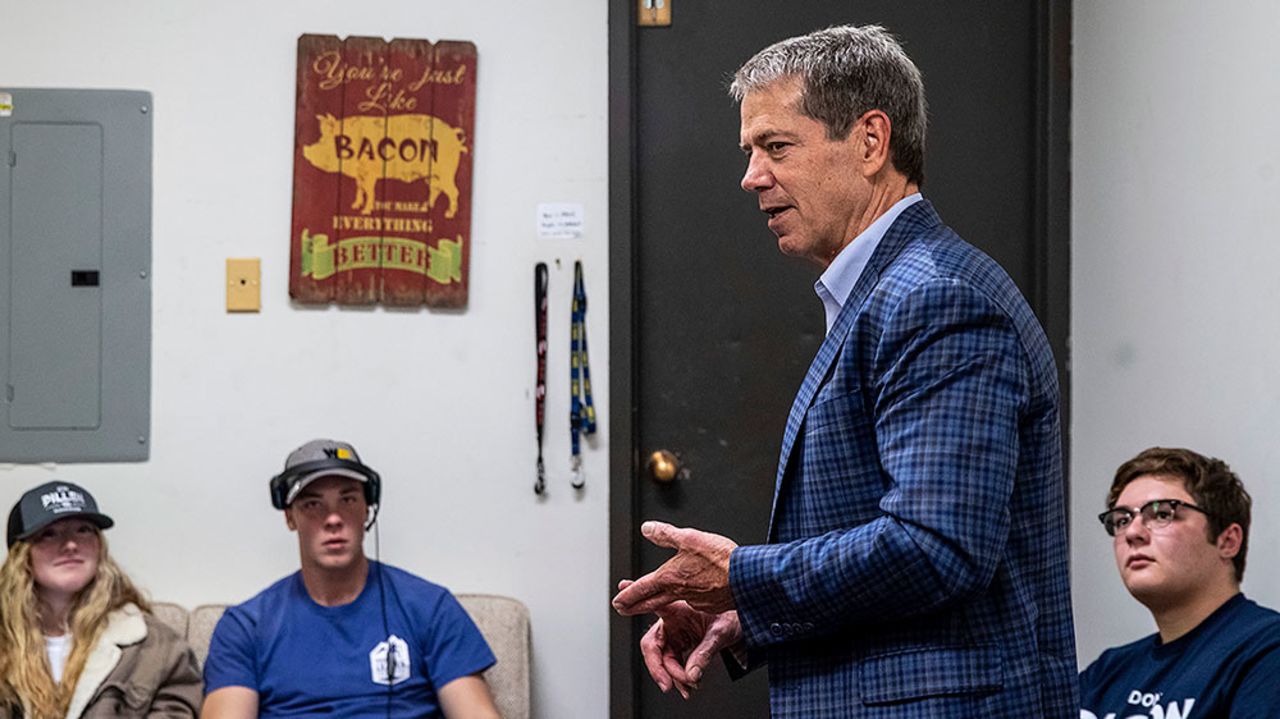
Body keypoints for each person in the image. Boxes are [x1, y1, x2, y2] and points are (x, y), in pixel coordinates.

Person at [611, 24, 1078, 717]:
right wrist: (745, 615)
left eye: (776, 147)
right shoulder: (888, 290)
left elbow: (937, 546)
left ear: (869, 141)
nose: (750, 176)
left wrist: (742, 577)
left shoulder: (936, 296)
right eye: (750, 152)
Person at [201, 439, 499, 719]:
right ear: (290, 517)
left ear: (367, 509)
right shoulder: (245, 627)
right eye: (313, 504)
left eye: (348, 499)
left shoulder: (430, 608)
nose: (333, 518)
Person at [1079, 447, 1280, 718]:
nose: (1133, 533)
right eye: (1122, 519)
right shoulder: (1105, 674)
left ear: (1227, 541)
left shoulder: (1266, 651)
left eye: (1162, 514)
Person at [0, 481, 202, 717]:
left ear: (99, 545)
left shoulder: (156, 648)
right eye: (49, 534)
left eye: (83, 530)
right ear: (21, 555)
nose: (70, 544)